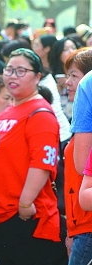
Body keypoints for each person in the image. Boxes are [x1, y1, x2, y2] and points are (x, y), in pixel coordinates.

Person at [0, 48, 67, 265]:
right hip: (1, 215)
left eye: (21, 71)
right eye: (9, 70)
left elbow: (41, 164)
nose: (13, 76)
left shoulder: (40, 114)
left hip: (26, 217)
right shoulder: (8, 110)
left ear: (38, 76)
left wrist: (25, 203)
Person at [61, 47, 92, 264]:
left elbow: (82, 167)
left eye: (74, 75)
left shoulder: (88, 85)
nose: (67, 82)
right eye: (67, 75)